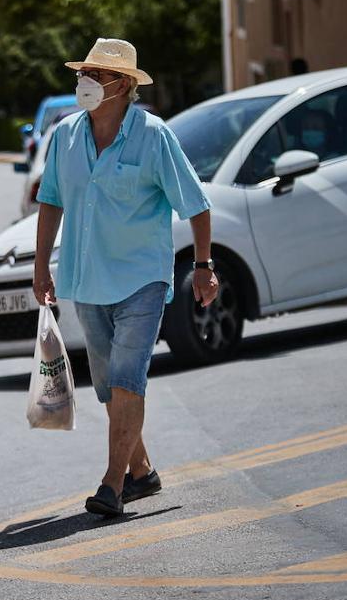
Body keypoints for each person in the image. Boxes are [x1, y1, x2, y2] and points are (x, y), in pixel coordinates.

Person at [33, 38, 219, 517]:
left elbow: (196, 203)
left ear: (122, 85)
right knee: (108, 385)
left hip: (142, 278)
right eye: (83, 74)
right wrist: (40, 265)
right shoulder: (65, 135)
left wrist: (203, 266)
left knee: (127, 378)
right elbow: (50, 200)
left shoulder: (153, 135)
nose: (85, 82)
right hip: (87, 277)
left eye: (96, 75)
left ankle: (112, 484)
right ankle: (142, 471)